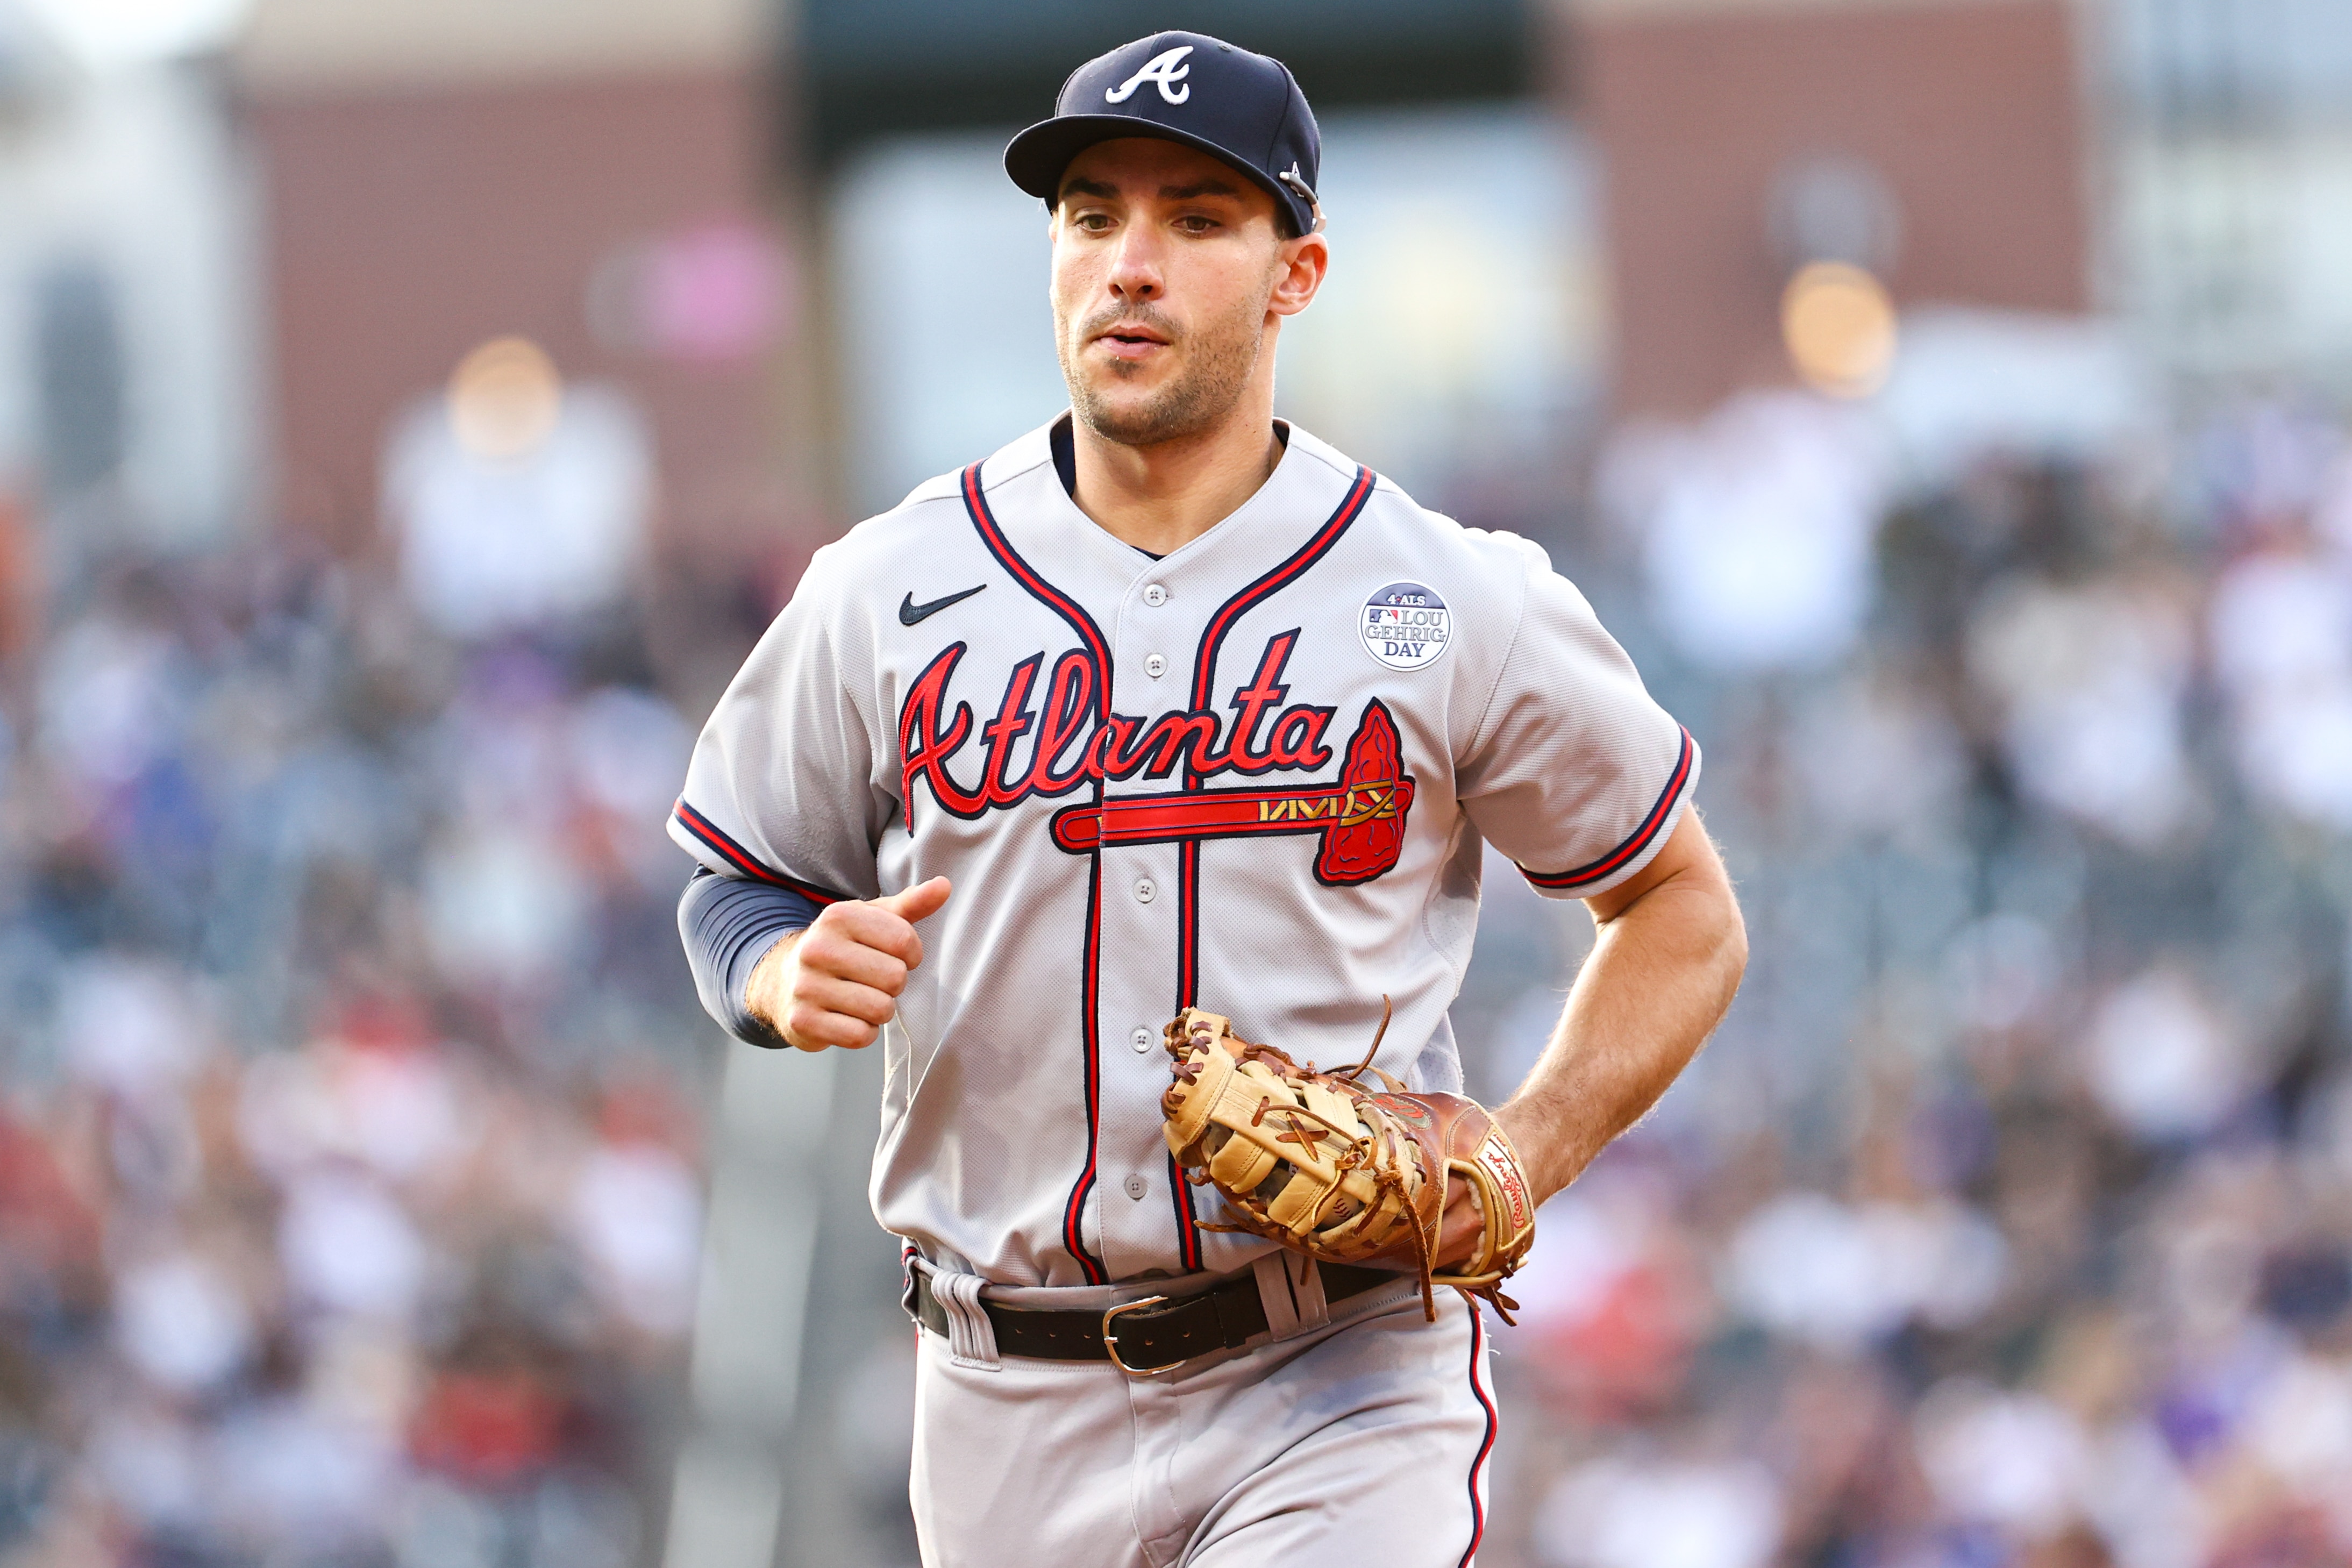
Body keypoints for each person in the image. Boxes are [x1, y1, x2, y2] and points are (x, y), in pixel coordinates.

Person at [672, 30, 1746, 1566]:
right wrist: (777, 971)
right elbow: (736, 879)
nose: (1130, 263)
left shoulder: (1447, 592)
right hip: (1000, 1388)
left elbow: (1680, 905)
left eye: (1195, 218)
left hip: (1336, 1365)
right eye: (1092, 214)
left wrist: (1527, 1146)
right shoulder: (887, 587)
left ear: (1297, 273)